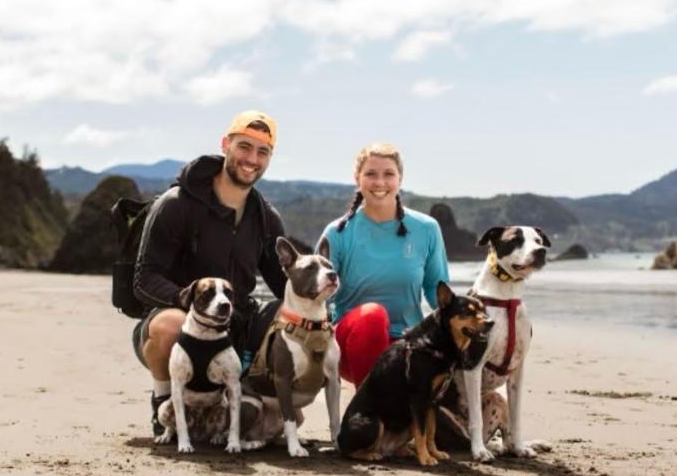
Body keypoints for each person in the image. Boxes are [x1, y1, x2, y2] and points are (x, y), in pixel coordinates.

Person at [132, 110, 286, 434]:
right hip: (175, 330)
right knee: (171, 323)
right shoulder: (176, 204)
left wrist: (320, 305)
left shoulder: (266, 219)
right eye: (244, 147)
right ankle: (166, 409)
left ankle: (260, 405)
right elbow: (144, 279)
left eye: (263, 152)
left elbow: (284, 284)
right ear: (225, 144)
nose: (252, 159)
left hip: (235, 335)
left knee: (287, 317)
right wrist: (190, 303)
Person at [317, 143, 450, 388]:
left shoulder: (426, 229)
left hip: (407, 344)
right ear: (357, 178)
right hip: (351, 344)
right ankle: (369, 408)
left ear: (400, 178)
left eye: (388, 174)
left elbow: (437, 291)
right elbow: (316, 296)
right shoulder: (337, 233)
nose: (380, 182)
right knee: (373, 315)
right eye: (370, 174)